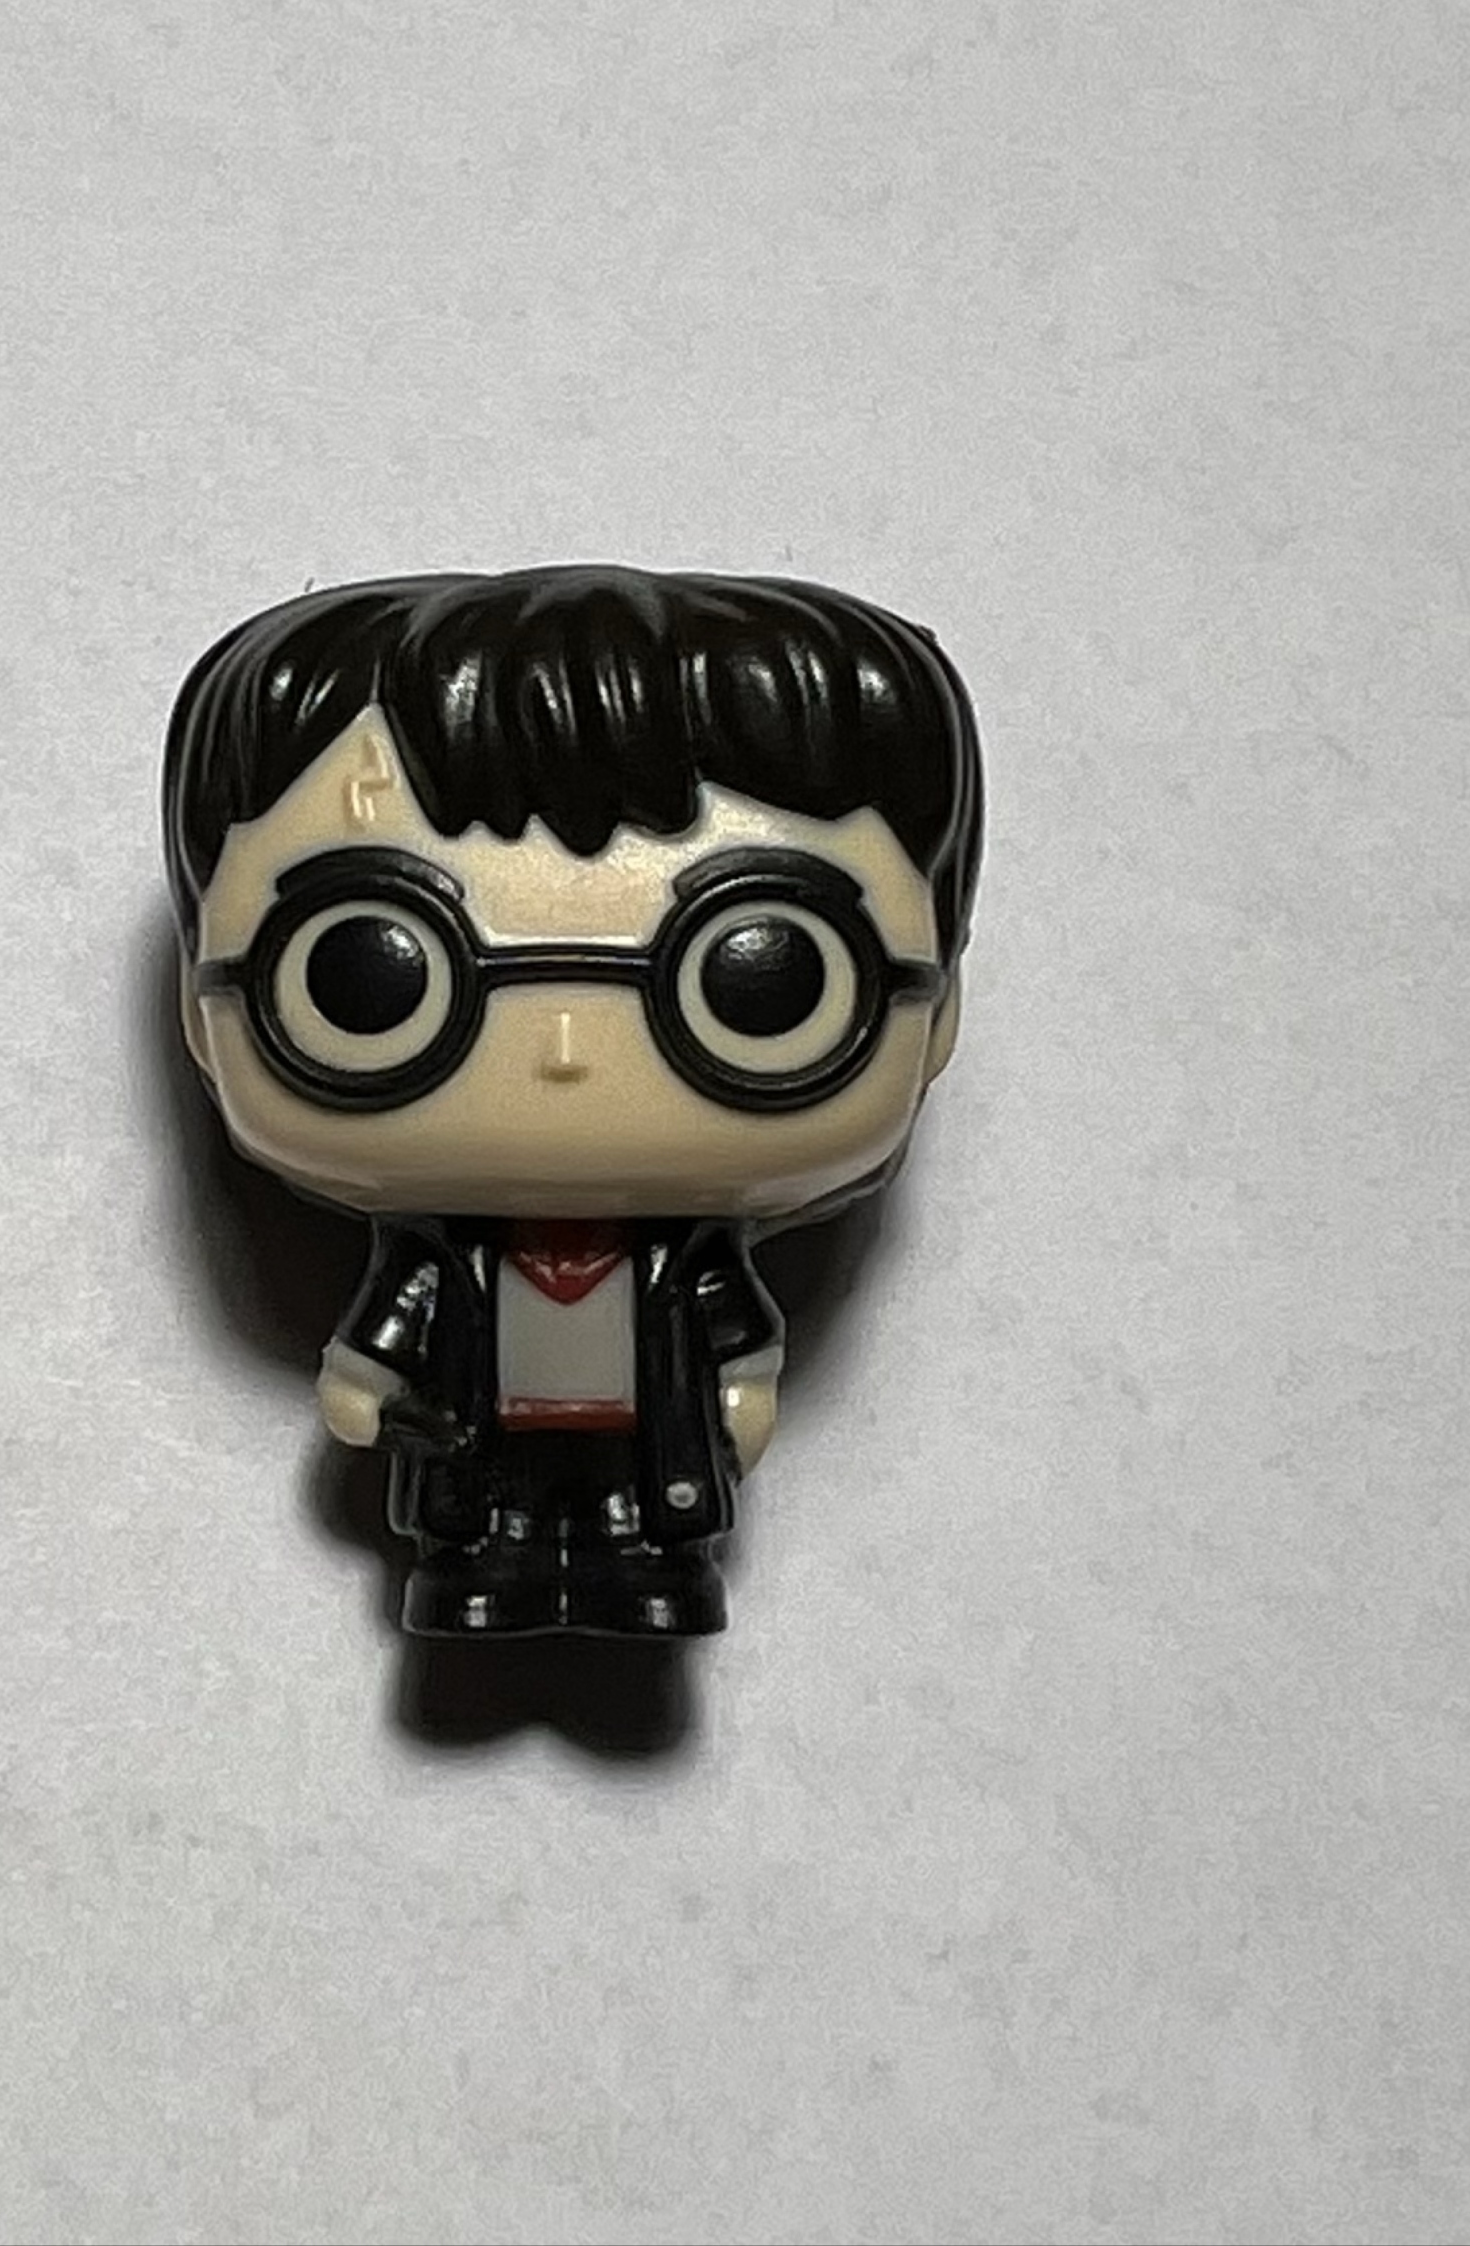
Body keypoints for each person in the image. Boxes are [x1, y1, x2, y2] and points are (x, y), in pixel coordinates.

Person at [163, 567, 983, 1638]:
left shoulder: (678, 1264)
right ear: (199, 1014)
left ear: (939, 1013)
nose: (561, 1048)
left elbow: (728, 1320)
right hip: (479, 1444)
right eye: (369, 972)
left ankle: (646, 1574)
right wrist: (366, 1375)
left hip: (646, 1452)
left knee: (639, 1529)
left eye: (757, 978)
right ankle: (480, 1573)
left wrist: (740, 1385)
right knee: (482, 1526)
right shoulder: (447, 1258)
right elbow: (400, 1316)